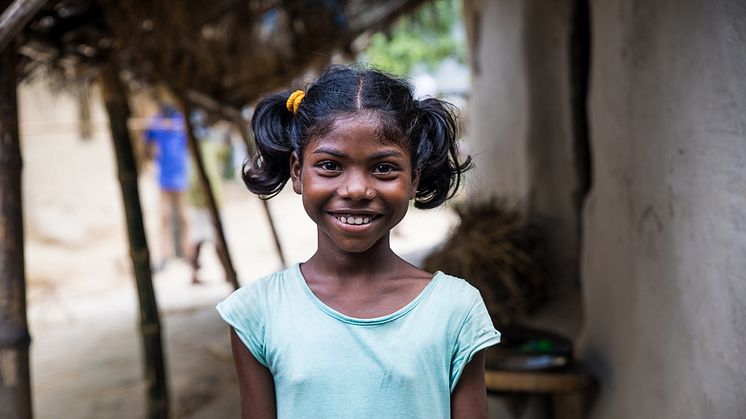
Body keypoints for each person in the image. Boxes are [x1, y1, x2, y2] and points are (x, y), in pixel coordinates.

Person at [216, 65, 501, 418]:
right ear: (297, 171)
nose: (356, 190)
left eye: (383, 168)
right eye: (330, 165)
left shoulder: (455, 310)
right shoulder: (257, 313)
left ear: (414, 179)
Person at [144, 104, 190, 268]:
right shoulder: (156, 121)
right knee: (164, 216)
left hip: (181, 174)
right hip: (164, 176)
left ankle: (188, 254)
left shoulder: (180, 120)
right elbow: (146, 142)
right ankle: (164, 255)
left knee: (184, 217)